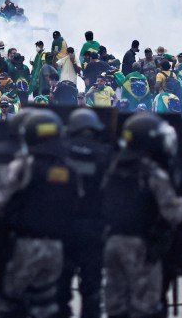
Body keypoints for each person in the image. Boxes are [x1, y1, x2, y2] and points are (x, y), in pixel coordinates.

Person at [0, 109, 78, 318]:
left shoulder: (24, 166)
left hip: (26, 245)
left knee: (5, 303)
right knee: (45, 304)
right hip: (57, 248)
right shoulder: (70, 168)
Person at [101, 113, 182, 318]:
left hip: (112, 242)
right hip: (142, 246)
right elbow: (173, 213)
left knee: (116, 305)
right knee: (144, 308)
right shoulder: (152, 172)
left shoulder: (112, 166)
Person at [57, 109, 111, 318]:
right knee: (92, 287)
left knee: (61, 286)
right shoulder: (104, 153)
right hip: (93, 227)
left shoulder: (61, 151)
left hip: (63, 225)